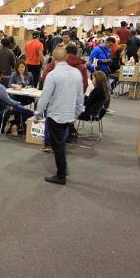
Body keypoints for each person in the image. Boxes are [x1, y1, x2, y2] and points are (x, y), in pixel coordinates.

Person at [34, 47, 84, 185]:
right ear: (67, 57)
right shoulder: (77, 73)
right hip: (69, 114)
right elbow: (80, 96)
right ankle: (63, 169)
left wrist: (38, 113)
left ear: (53, 59)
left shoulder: (53, 75)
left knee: (58, 145)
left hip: (55, 115)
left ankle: (61, 175)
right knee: (61, 143)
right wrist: (76, 113)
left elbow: (45, 97)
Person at [0, 67, 36, 134]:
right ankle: (17, 125)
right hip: (5, 109)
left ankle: (16, 126)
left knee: (20, 109)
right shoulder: (0, 87)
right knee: (27, 111)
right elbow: (9, 101)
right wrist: (18, 103)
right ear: (0, 75)